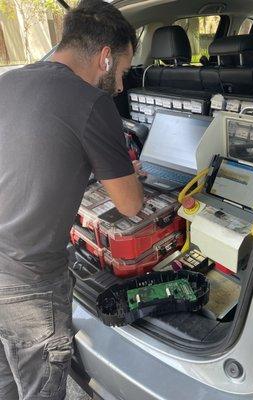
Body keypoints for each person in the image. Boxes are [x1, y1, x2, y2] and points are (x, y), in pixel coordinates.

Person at [0, 1, 143, 399]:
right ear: (104, 57)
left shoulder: (8, 81)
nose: (120, 87)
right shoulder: (93, 103)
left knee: (7, 383)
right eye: (123, 72)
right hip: (29, 283)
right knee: (42, 390)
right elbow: (131, 205)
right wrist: (126, 176)